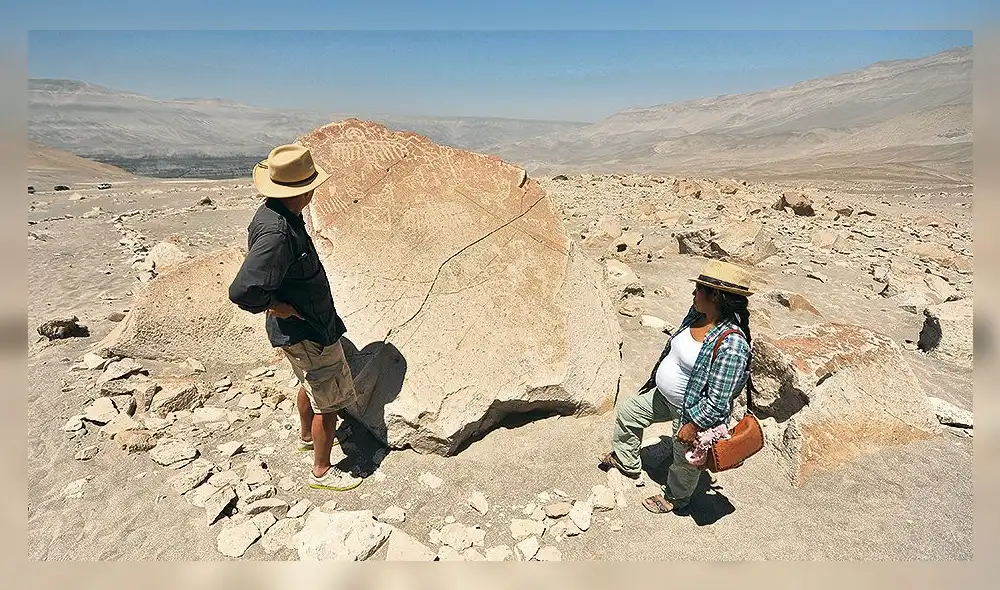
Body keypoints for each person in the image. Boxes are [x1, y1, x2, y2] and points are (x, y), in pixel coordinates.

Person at [228, 143, 362, 492]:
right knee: (328, 402)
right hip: (308, 330)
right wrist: (277, 306)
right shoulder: (277, 232)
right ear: (301, 190)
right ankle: (322, 470)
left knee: (310, 384)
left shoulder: (275, 213)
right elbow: (243, 290)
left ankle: (306, 436)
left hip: (304, 327)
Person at [599, 260, 756, 514]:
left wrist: (692, 425)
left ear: (715, 296)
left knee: (684, 460)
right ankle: (627, 461)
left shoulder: (732, 345)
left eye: (699, 289)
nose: (694, 294)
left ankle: (676, 497)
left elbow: (718, 402)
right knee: (629, 412)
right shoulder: (697, 315)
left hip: (691, 411)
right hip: (664, 397)